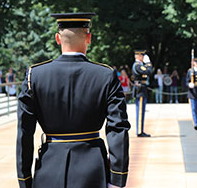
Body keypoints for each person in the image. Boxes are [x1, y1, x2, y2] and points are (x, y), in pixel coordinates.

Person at [16, 12, 130, 188]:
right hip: (93, 170)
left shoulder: (35, 75)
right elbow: (118, 128)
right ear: (89, 38)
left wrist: (24, 180)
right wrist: (117, 179)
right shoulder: (106, 75)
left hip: (49, 168)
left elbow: (25, 131)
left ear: (58, 39)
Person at [132, 49, 152, 137]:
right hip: (140, 89)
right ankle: (139, 131)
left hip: (142, 89)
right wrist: (148, 63)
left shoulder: (139, 65)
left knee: (142, 111)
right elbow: (148, 71)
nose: (143, 57)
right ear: (139, 56)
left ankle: (141, 130)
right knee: (140, 111)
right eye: (142, 56)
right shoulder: (137, 65)